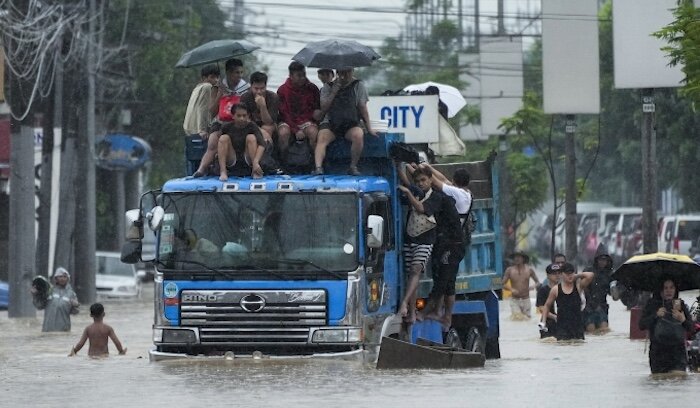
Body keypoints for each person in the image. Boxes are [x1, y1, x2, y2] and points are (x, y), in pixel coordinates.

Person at [414, 163, 472, 330]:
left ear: (455, 181)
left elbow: (438, 182)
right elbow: (442, 180)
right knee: (449, 283)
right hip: (454, 243)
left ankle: (431, 312)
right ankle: (443, 315)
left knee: (443, 280)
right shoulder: (465, 193)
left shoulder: (456, 194)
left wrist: (424, 167)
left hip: (452, 244)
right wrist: (427, 168)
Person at [396, 165, 443, 330]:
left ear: (431, 180)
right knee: (411, 275)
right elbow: (406, 182)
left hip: (426, 240)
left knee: (416, 269)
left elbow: (422, 208)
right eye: (418, 181)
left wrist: (409, 193)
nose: (421, 183)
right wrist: (399, 166)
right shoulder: (416, 192)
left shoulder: (437, 197)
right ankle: (412, 311)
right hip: (410, 239)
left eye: (424, 180)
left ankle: (404, 303)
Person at [313, 67, 377, 176]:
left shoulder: (358, 85)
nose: (346, 75)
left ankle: (353, 166)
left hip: (350, 122)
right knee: (322, 137)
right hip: (331, 122)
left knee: (358, 135)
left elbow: (362, 107)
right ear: (338, 73)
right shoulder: (328, 87)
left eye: (348, 72)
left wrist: (369, 128)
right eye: (343, 72)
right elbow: (324, 107)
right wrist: (334, 90)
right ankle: (318, 167)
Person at [193, 59, 249, 177]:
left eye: (241, 73)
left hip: (239, 123)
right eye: (236, 73)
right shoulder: (217, 88)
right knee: (213, 140)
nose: (239, 76)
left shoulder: (245, 88)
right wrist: (220, 95)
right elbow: (212, 112)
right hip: (221, 122)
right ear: (228, 73)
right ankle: (201, 169)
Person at [639, 278, 694, 374]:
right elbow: (641, 325)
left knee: (678, 380)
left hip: (678, 352)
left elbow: (691, 328)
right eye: (666, 288)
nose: (669, 291)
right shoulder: (652, 304)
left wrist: (683, 319)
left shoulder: (681, 305)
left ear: (676, 289)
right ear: (661, 290)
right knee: (661, 383)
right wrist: (656, 315)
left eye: (672, 288)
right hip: (658, 353)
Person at [276, 61, 320, 160]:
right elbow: (284, 113)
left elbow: (316, 109)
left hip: (306, 121)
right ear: (291, 76)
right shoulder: (282, 90)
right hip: (287, 121)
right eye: (299, 76)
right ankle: (283, 162)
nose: (302, 78)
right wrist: (295, 129)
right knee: (283, 133)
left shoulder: (312, 88)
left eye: (304, 75)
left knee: (314, 133)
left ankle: (315, 162)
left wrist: (313, 119)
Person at [540, 262, 594, 341]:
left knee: (579, 346)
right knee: (563, 347)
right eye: (567, 273)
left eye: (571, 273)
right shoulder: (556, 289)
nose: (570, 275)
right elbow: (547, 306)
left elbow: (590, 275)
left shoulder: (578, 287)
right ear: (562, 274)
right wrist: (543, 322)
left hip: (577, 326)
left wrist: (576, 275)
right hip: (562, 326)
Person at [214, 103, 268, 180]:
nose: (242, 118)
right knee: (223, 138)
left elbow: (262, 144)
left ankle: (255, 171)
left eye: (244, 115)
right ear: (233, 116)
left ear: (248, 116)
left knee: (251, 137)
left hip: (248, 158)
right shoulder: (226, 127)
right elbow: (220, 145)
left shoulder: (252, 126)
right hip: (232, 158)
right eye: (239, 116)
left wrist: (256, 162)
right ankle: (223, 171)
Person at [30, 267, 80, 332]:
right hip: (47, 330)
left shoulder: (71, 294)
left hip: (63, 331)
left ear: (68, 279)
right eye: (60, 276)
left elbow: (75, 312)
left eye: (65, 276)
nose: (62, 278)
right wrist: (35, 295)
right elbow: (39, 306)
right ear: (56, 278)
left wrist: (76, 305)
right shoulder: (49, 291)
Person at [240, 71, 279, 143]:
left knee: (267, 128)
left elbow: (269, 122)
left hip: (269, 125)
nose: (259, 92)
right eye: (256, 88)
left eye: (262, 88)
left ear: (266, 86)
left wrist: (263, 106)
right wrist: (258, 130)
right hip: (250, 125)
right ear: (251, 86)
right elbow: (245, 119)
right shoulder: (245, 97)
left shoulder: (273, 97)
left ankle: (266, 151)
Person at [183, 64, 220, 139]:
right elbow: (202, 108)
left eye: (217, 77)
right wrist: (202, 130)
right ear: (204, 78)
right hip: (198, 130)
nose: (216, 80)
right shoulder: (207, 86)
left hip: (189, 128)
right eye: (212, 77)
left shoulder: (197, 88)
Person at [583, 247, 614, 334]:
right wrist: (591, 303)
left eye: (605, 260)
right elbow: (583, 288)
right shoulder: (589, 271)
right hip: (588, 307)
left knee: (604, 329)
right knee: (590, 328)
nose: (602, 262)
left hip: (602, 306)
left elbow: (611, 292)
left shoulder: (609, 274)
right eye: (601, 259)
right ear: (596, 260)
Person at [502, 251, 540, 320]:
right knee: (517, 318)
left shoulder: (529, 270)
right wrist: (511, 289)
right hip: (514, 300)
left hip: (526, 299)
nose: (517, 258)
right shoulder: (509, 270)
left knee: (527, 319)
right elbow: (502, 284)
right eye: (515, 257)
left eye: (519, 257)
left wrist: (533, 286)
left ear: (523, 258)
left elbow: (538, 282)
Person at [536, 263, 561, 338]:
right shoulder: (543, 290)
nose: (557, 275)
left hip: (561, 322)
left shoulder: (564, 289)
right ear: (548, 276)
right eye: (554, 273)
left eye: (559, 273)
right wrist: (554, 317)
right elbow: (541, 308)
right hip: (547, 322)